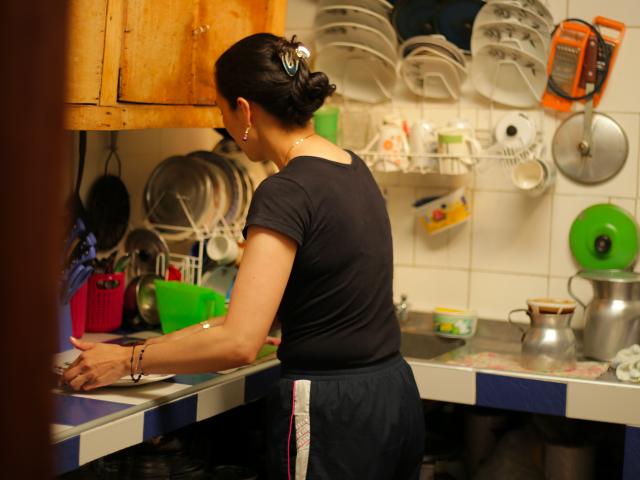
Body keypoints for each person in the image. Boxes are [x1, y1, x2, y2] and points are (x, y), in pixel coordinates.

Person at [63, 33, 425, 479]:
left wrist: (125, 362)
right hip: (393, 397)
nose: (226, 125)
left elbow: (239, 342)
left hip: (333, 414)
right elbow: (253, 317)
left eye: (222, 112)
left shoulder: (285, 191)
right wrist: (138, 348)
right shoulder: (351, 166)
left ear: (245, 110)